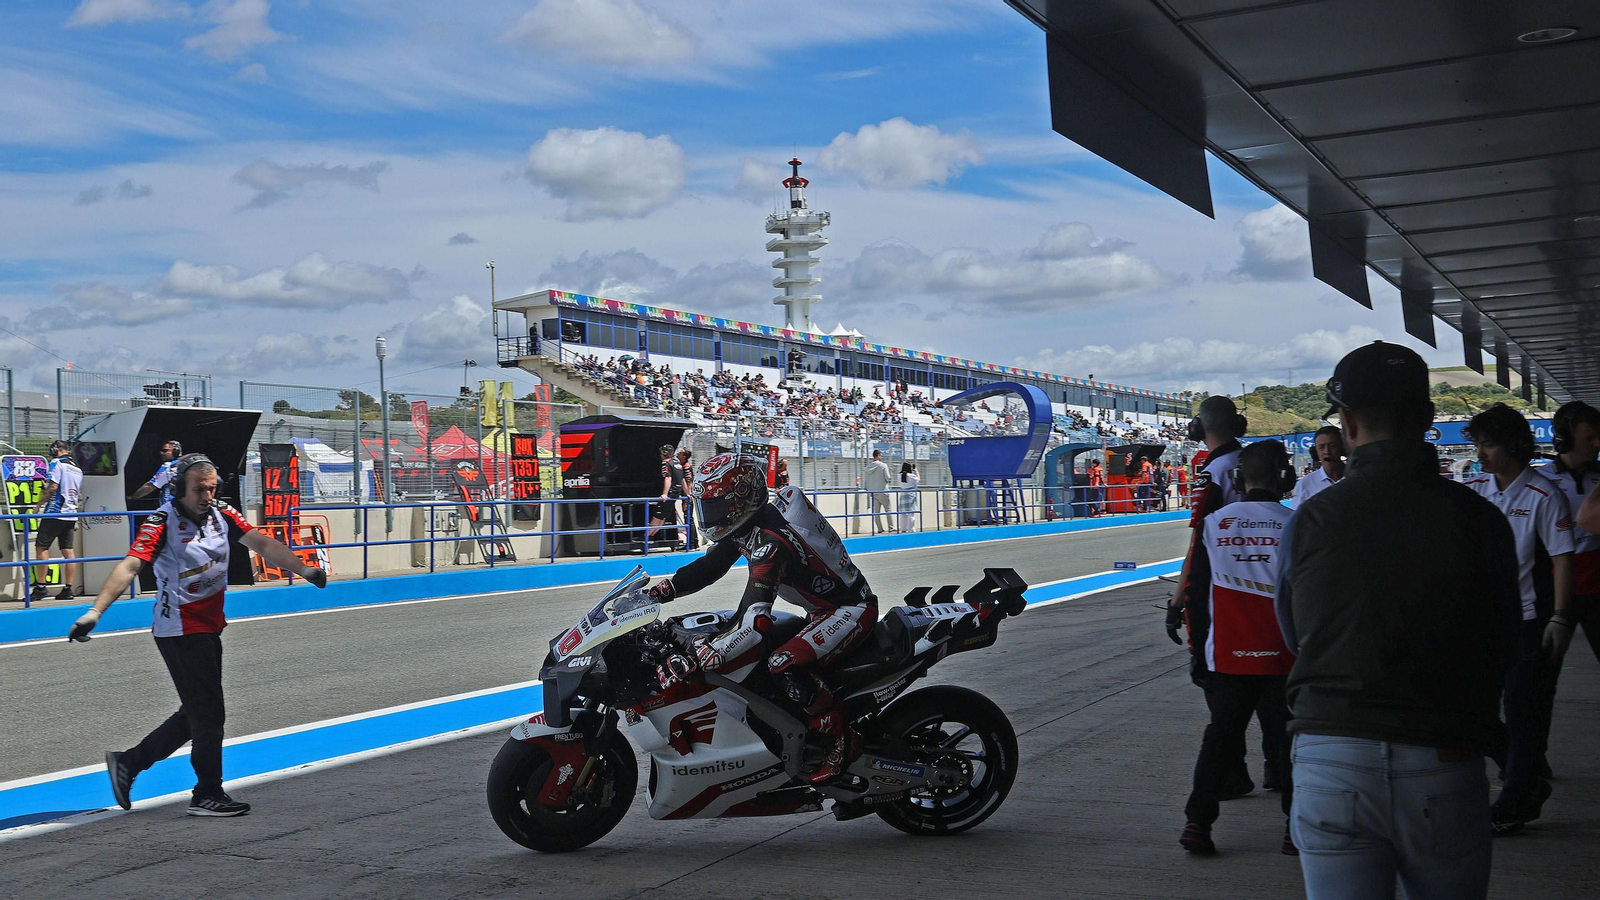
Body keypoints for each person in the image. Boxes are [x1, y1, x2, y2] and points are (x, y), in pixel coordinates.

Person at [1277, 341, 1521, 898]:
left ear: (1348, 421)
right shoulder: (1479, 518)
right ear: (1429, 421)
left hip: (1330, 755)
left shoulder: (1311, 517)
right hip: (1443, 754)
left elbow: (1295, 633)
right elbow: (1508, 642)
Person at [68, 454, 328, 817]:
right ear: (178, 489)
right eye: (198, 489)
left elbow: (263, 544)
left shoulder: (223, 513)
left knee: (197, 712)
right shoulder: (161, 523)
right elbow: (131, 565)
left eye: (211, 488)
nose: (206, 495)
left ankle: (129, 762)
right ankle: (206, 793)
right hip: (179, 629)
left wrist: (303, 568)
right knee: (209, 716)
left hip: (209, 625)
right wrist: (95, 612)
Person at [645, 453, 877, 783]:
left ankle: (842, 736)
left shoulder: (771, 542)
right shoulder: (748, 524)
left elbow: (754, 620)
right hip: (818, 612)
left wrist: (705, 654)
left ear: (741, 500)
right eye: (705, 505)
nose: (708, 514)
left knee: (783, 661)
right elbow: (711, 566)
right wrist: (661, 591)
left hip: (849, 610)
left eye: (716, 505)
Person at [1463, 403, 1576, 835]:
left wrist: (1562, 618)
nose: (1480, 452)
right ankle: (1526, 778)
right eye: (1477, 443)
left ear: (1513, 445)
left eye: (1488, 443)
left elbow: (1563, 559)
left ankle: (1515, 800)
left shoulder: (1546, 495)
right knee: (1476, 710)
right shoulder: (1473, 488)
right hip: (1482, 621)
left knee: (1523, 713)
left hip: (1528, 620)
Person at [1180, 440, 1296, 855]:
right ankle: (1293, 830)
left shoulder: (1214, 524)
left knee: (1219, 741)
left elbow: (1195, 595)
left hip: (1227, 655)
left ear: (1238, 477)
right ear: (1285, 476)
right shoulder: (1297, 522)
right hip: (1284, 658)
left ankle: (1198, 823)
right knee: (1287, 745)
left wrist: (1198, 652)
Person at [1167, 396, 1263, 796]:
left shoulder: (1213, 470)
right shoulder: (1247, 461)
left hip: (1217, 585)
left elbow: (1199, 539)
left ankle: (1232, 770)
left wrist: (1178, 599)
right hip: (1259, 578)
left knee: (1211, 674)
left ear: (1201, 426)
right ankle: (1276, 765)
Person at [1537, 401, 1600, 664]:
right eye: (1589, 438)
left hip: (1597, 589)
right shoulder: (1539, 481)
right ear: (1564, 439)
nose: (1597, 444)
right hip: (1553, 590)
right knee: (1541, 675)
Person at [30, 440, 83, 603]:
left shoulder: (56, 463)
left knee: (41, 547)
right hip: (71, 514)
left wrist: (38, 505)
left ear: (58, 450)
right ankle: (68, 589)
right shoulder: (77, 469)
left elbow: (53, 488)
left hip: (55, 513)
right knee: (68, 551)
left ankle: (41, 587)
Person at [1290, 426, 1345, 508]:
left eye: (1332, 445)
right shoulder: (1304, 485)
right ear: (1315, 452)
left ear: (1342, 448)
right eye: (1321, 447)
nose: (1327, 452)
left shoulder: (1358, 477)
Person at [647, 444, 686, 549]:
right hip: (676, 495)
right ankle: (650, 537)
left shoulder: (666, 463)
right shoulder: (678, 463)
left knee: (657, 517)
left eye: (661, 453)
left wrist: (664, 494)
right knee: (662, 518)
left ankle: (646, 538)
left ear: (664, 454)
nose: (660, 455)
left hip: (670, 494)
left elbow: (668, 478)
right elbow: (683, 480)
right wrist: (687, 494)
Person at [128, 439, 182, 505]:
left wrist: (132, 497)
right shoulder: (186, 465)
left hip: (170, 509)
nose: (161, 453)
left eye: (165, 451)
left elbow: (150, 487)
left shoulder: (169, 467)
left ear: (176, 452)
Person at [862, 449, 892, 534]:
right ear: (878, 455)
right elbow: (888, 477)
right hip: (883, 491)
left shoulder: (867, 467)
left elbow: (866, 481)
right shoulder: (883, 466)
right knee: (888, 510)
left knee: (876, 512)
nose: (881, 457)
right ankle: (891, 527)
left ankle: (880, 528)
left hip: (873, 492)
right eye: (881, 455)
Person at [896, 462, 920, 533]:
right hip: (910, 494)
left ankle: (903, 528)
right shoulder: (911, 475)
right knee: (911, 512)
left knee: (903, 513)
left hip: (903, 493)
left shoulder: (899, 475)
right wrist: (916, 471)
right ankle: (911, 529)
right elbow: (918, 480)